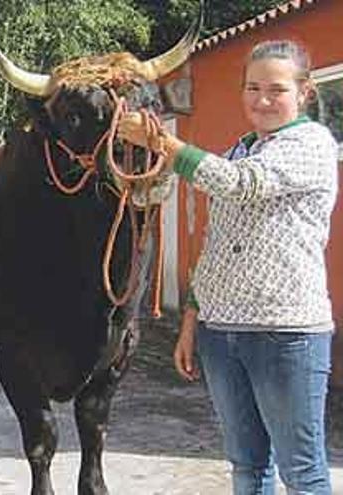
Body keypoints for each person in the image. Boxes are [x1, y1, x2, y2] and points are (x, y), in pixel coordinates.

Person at [119, 39, 338, 494]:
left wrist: (161, 142)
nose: (262, 99)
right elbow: (217, 245)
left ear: (305, 93)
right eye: (252, 87)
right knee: (247, 465)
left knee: (302, 472)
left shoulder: (311, 143)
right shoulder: (241, 147)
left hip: (285, 334)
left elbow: (242, 185)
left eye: (276, 89)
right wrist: (191, 323)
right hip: (222, 333)